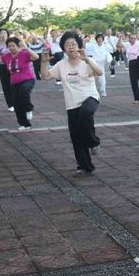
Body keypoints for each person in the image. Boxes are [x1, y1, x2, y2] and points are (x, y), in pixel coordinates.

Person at [40, 31, 102, 177]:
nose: (71, 47)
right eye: (67, 45)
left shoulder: (86, 61)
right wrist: (43, 62)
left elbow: (99, 72)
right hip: (72, 104)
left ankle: (93, 142)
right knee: (76, 136)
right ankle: (85, 167)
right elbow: (45, 76)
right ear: (63, 48)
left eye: (73, 44)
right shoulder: (61, 64)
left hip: (90, 98)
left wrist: (87, 59)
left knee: (85, 113)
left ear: (79, 46)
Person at [0, 37, 39, 130]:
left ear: (18, 46)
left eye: (13, 45)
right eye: (9, 46)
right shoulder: (7, 56)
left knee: (24, 91)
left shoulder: (24, 54)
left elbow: (36, 57)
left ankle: (29, 108)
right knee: (17, 103)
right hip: (14, 82)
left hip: (28, 79)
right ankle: (24, 124)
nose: (11, 48)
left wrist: (26, 47)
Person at [0, 28, 15, 111]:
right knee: (6, 85)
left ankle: (16, 102)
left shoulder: (12, 43)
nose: (3, 35)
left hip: (13, 66)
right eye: (1, 33)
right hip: (3, 66)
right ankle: (10, 104)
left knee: (14, 84)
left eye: (5, 33)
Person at [124, 33, 139, 104]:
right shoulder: (126, 44)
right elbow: (118, 45)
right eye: (131, 38)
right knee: (134, 82)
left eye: (134, 38)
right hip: (131, 64)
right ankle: (137, 99)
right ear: (129, 39)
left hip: (138, 62)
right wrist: (120, 38)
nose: (133, 40)